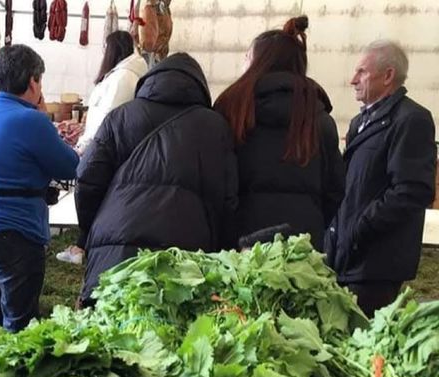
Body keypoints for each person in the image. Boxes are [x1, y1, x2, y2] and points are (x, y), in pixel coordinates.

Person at [75, 52, 238, 308]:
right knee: (170, 338)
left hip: (115, 252)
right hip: (184, 259)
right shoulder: (215, 127)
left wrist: (89, 233)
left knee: (103, 335)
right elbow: (227, 199)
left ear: (150, 80)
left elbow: (87, 178)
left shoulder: (121, 117)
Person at [213, 16, 344, 251]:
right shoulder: (318, 117)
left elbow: (219, 180)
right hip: (302, 244)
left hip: (241, 242)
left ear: (258, 61)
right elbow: (335, 191)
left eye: (247, 57)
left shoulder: (232, 108)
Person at [325, 40, 437, 317]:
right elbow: (349, 188)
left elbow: (411, 191)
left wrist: (359, 229)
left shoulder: (411, 120)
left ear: (388, 76)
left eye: (362, 72)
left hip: (376, 264)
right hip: (348, 258)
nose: (352, 80)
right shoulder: (359, 123)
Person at [0, 44, 79, 332]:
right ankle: (13, 376)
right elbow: (71, 166)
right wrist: (43, 115)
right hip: (17, 231)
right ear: (33, 81)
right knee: (19, 322)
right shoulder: (31, 120)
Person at [56, 30, 148, 266]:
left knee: (90, 195)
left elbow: (106, 118)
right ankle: (83, 246)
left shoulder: (123, 78)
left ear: (113, 49)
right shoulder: (129, 74)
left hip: (105, 150)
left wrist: (85, 146)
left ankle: (85, 247)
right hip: (114, 149)